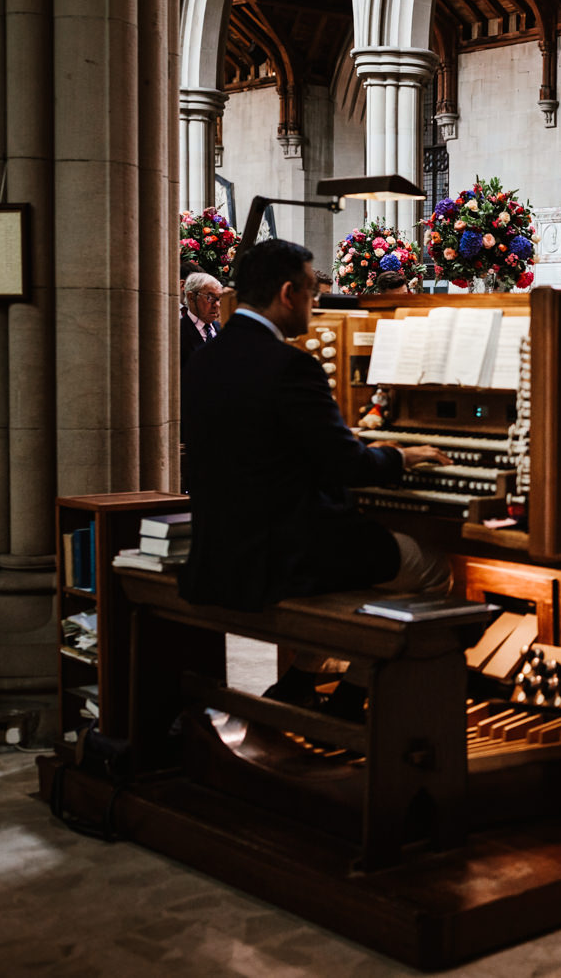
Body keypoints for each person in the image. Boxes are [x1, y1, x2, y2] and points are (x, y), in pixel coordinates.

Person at [180, 239, 453, 708]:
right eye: (311, 293)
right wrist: (399, 456)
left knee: (366, 548)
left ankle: (302, 682)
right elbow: (347, 463)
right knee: (431, 567)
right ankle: (358, 694)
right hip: (283, 555)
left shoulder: (206, 356)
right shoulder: (290, 366)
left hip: (221, 545)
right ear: (288, 293)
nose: (315, 304)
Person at [179, 271, 224, 367]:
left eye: (219, 299)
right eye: (210, 298)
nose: (217, 305)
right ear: (191, 297)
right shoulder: (177, 332)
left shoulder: (222, 330)